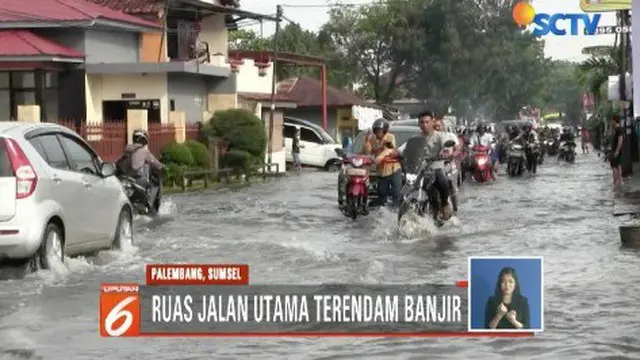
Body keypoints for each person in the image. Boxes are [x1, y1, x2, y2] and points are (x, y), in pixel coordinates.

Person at [398, 111, 454, 219]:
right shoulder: (416, 137)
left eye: (427, 122)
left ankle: (444, 204)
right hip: (420, 169)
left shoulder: (440, 136)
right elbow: (404, 148)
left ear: (432, 122)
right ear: (419, 124)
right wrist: (395, 153)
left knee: (443, 181)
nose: (424, 125)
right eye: (422, 122)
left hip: (436, 166)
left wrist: (445, 151)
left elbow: (447, 146)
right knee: (406, 185)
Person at [116, 129, 164, 206]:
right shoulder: (144, 151)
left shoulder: (127, 149)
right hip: (137, 179)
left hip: (124, 179)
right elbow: (156, 164)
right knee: (154, 184)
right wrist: (162, 166)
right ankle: (149, 204)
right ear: (144, 139)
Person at [363, 118, 402, 207]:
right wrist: (366, 142)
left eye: (380, 130)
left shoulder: (390, 137)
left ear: (385, 130)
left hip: (393, 169)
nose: (378, 133)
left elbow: (388, 149)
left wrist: (379, 158)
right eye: (376, 130)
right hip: (381, 171)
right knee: (382, 194)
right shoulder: (372, 139)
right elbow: (366, 152)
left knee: (396, 193)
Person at [610, 116, 624, 188]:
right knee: (617, 166)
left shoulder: (618, 130)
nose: (611, 122)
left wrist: (617, 151)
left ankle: (616, 181)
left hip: (616, 151)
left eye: (612, 121)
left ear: (615, 121)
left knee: (615, 167)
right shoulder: (615, 129)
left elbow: (620, 140)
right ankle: (619, 181)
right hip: (615, 151)